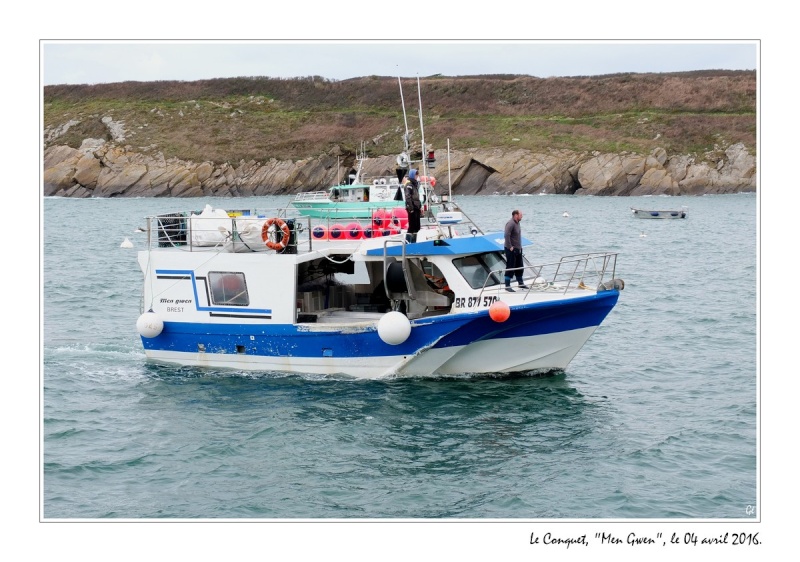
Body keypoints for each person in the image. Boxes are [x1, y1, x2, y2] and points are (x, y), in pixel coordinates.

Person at [504, 209, 527, 292]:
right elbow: (506, 235)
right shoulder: (510, 223)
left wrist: (520, 247)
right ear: (516, 215)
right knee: (510, 266)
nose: (522, 216)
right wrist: (510, 246)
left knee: (520, 266)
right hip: (511, 249)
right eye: (521, 215)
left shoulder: (518, 223)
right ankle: (507, 285)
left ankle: (520, 283)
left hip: (518, 249)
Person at [404, 169, 422, 241]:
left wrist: (419, 207)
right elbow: (408, 197)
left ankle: (414, 241)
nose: (416, 176)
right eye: (415, 174)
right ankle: (407, 243)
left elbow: (417, 198)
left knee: (417, 227)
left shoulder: (415, 184)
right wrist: (411, 209)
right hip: (412, 208)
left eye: (417, 174)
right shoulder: (409, 185)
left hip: (416, 208)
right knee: (412, 227)